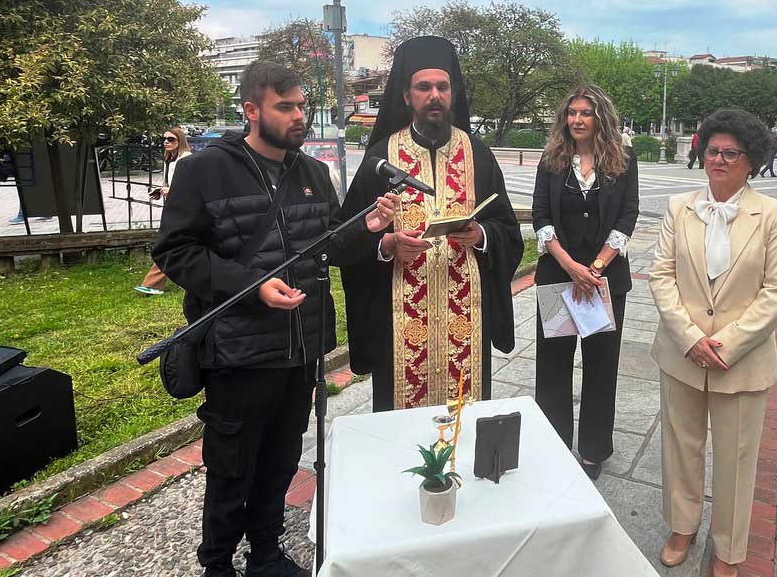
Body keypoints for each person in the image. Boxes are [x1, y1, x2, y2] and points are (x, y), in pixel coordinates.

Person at [151, 60, 398, 577]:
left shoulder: (313, 173)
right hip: (238, 351)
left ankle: (265, 553)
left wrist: (369, 226)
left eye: (302, 106)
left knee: (282, 458)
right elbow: (175, 253)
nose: (299, 116)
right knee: (231, 466)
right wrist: (252, 285)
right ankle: (217, 565)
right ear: (251, 110)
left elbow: (328, 247)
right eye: (285, 107)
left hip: (302, 347)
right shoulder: (203, 171)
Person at [339, 36, 524, 411]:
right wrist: (386, 245)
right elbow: (345, 237)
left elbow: (507, 228)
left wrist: (482, 234)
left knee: (464, 423)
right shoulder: (381, 158)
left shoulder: (478, 154)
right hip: (399, 320)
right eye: (424, 87)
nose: (435, 96)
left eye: (443, 86)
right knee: (399, 429)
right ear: (406, 96)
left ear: (453, 93)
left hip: (466, 318)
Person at [649, 108, 777, 577]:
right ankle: (682, 526)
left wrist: (727, 343)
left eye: (731, 153)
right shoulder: (679, 207)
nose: (718, 160)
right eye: (712, 150)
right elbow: (661, 275)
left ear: (751, 161)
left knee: (736, 458)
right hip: (682, 353)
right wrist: (690, 337)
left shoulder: (773, 215)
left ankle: (730, 549)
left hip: (741, 360)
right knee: (680, 446)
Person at [532, 85, 639, 480]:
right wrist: (569, 266)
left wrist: (594, 269)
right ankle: (554, 444)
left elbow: (628, 214)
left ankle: (594, 449)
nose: (577, 119)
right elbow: (540, 215)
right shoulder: (552, 159)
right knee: (553, 367)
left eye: (585, 113)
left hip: (605, 282)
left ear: (601, 118)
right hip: (558, 278)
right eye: (572, 112)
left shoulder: (623, 160)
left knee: (601, 367)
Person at [134, 126, 192, 296]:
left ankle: (153, 284)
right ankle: (188, 280)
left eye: (171, 139)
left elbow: (191, 187)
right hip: (175, 209)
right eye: (164, 139)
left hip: (185, 211)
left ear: (180, 141)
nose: (166, 142)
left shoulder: (186, 160)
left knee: (168, 245)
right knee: (182, 246)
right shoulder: (169, 159)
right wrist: (161, 191)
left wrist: (171, 190)